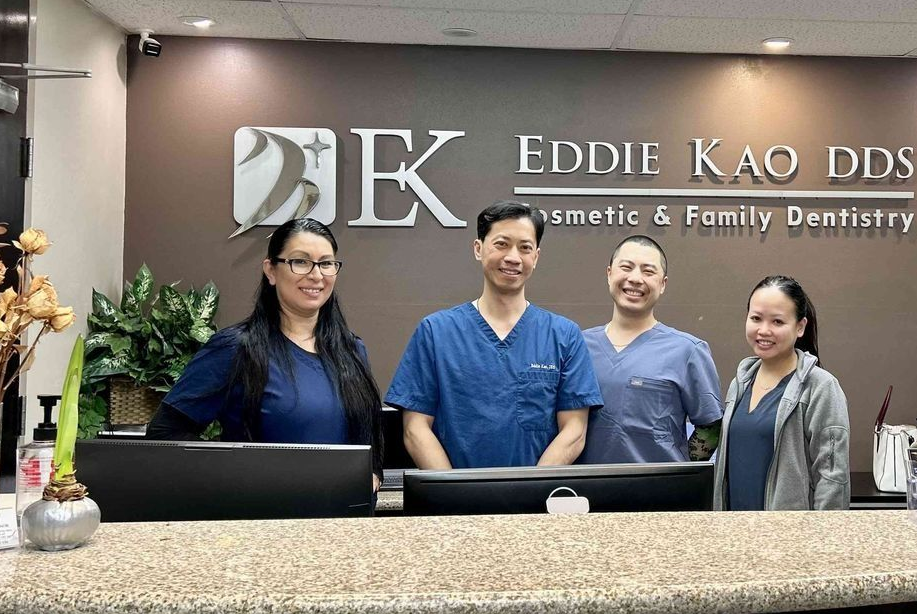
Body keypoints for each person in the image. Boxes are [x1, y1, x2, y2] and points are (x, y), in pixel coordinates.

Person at [147, 218, 384, 484]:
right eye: (301, 261)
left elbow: (367, 437)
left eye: (326, 263)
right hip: (265, 520)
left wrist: (374, 475)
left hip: (344, 519)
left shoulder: (352, 350)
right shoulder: (236, 348)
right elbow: (165, 434)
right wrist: (242, 476)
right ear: (271, 270)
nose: (316, 275)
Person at [386, 200, 603, 469]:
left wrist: (531, 492)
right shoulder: (436, 332)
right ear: (478, 248)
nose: (513, 257)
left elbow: (574, 431)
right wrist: (453, 494)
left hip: (535, 504)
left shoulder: (564, 335)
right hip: (454, 503)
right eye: (501, 244)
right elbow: (415, 429)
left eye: (525, 248)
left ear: (535, 256)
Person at [577, 235, 722, 464]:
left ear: (663, 284)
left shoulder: (687, 351)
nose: (635, 278)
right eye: (626, 267)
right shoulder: (577, 346)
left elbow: (712, 427)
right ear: (609, 274)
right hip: (586, 492)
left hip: (660, 495)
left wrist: (679, 467)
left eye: (648, 271)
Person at [713, 275, 849, 510]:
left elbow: (832, 478)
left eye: (777, 322)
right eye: (756, 318)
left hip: (790, 538)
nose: (763, 330)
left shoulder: (821, 387)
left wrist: (825, 539)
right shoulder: (741, 382)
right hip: (735, 535)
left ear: (800, 327)